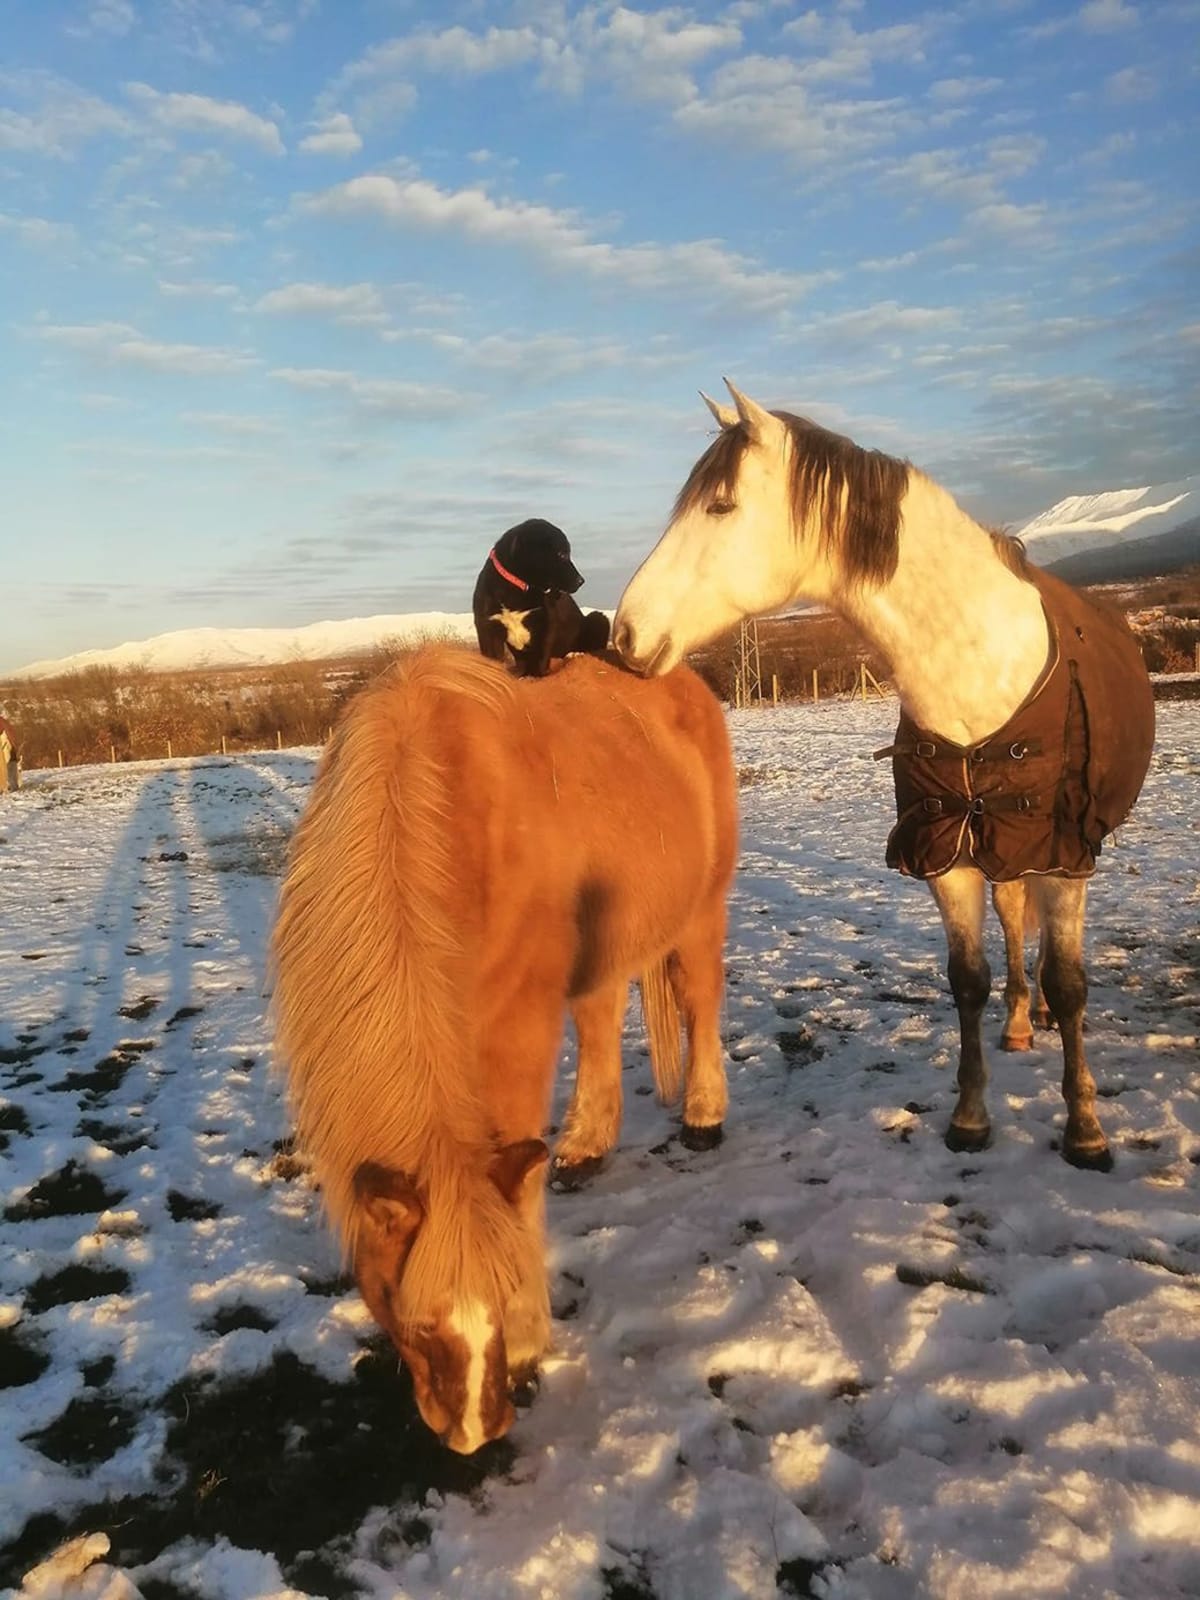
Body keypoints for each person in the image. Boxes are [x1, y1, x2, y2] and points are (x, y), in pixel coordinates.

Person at [0, 712, 21, 792]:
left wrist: (14, 746)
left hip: (7, 747)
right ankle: (10, 786)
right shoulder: (3, 722)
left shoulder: (2, 722)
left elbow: (10, 734)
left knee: (10, 766)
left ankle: (11, 787)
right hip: (7, 747)